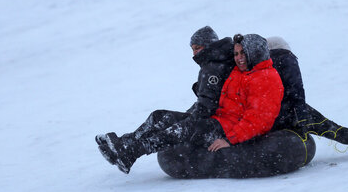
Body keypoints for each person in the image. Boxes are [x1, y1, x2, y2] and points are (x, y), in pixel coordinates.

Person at [95, 34, 284, 174]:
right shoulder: (240, 71)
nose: (238, 57)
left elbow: (259, 121)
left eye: (243, 53)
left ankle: (131, 153)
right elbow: (217, 56)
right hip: (218, 120)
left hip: (228, 130)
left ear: (256, 52)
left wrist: (229, 139)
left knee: (183, 129)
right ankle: (123, 145)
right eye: (236, 53)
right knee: (160, 116)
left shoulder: (266, 78)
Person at [266, 36, 348, 151]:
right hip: (285, 113)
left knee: (324, 124)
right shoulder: (285, 59)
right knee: (325, 126)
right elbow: (296, 91)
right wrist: (301, 115)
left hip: (273, 113)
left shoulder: (261, 66)